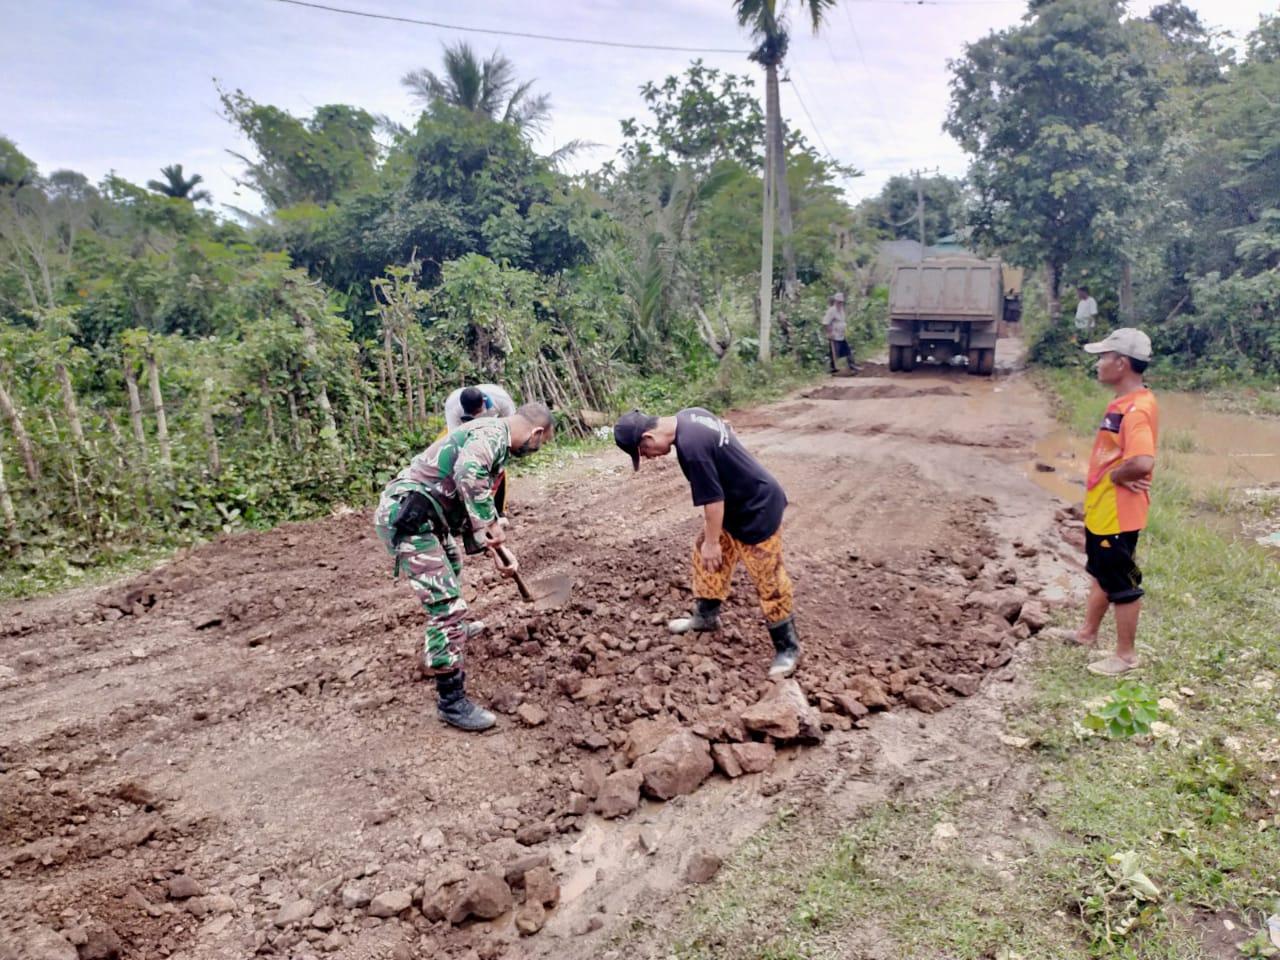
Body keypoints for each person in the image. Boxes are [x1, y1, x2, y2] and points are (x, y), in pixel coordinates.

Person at [374, 403, 555, 730]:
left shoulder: (492, 438)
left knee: (452, 565)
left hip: (430, 518)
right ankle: (451, 701)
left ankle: (451, 634)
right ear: (536, 433)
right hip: (409, 518)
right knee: (448, 608)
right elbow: (468, 472)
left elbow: (470, 502)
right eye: (539, 445)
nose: (535, 450)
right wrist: (490, 523)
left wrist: (500, 551)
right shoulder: (492, 435)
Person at [613, 407, 801, 679]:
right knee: (705, 553)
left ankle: (787, 648)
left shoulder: (691, 448)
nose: (649, 458)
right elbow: (725, 428)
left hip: (757, 508)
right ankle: (705, 617)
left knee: (767, 577)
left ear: (648, 437)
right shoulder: (691, 415)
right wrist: (710, 541)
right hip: (736, 508)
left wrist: (714, 543)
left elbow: (713, 502)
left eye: (644, 452)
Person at [1061, 328, 1158, 676]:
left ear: (1121, 363)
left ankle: (1126, 655)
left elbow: (1142, 460)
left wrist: (1118, 477)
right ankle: (1087, 633)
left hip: (1118, 514)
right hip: (1105, 511)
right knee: (1101, 572)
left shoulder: (1135, 410)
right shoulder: (1123, 404)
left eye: (1103, 357)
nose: (1098, 364)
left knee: (1122, 582)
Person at [444, 382, 516, 431]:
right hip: (467, 429)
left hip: (495, 426)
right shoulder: (452, 406)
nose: (474, 415)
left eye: (476, 412)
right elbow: (454, 435)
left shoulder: (501, 399)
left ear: (483, 401)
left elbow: (511, 424)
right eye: (471, 413)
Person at [821, 292, 857, 374]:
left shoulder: (841, 310)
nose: (840, 304)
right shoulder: (831, 311)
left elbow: (842, 321)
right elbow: (826, 323)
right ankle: (831, 369)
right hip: (835, 335)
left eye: (841, 302)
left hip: (841, 335)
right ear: (835, 301)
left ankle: (852, 366)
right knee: (834, 354)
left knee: (848, 351)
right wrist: (830, 333)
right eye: (839, 302)